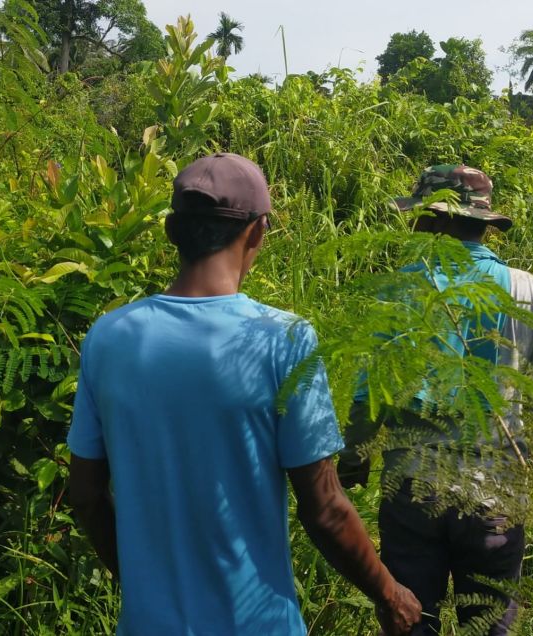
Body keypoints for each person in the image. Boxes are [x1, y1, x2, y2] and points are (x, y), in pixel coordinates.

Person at [67, 153, 421, 636]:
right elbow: (325, 509)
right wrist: (389, 593)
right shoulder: (284, 340)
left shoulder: (108, 338)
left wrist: (138, 584)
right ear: (257, 232)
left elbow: (85, 494)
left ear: (173, 232)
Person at [337, 164, 533, 636]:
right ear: (482, 223)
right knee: (488, 626)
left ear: (436, 219)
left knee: (410, 620)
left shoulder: (397, 290)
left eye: (419, 217)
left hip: (412, 492)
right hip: (497, 495)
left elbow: (370, 394)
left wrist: (353, 459)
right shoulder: (530, 292)